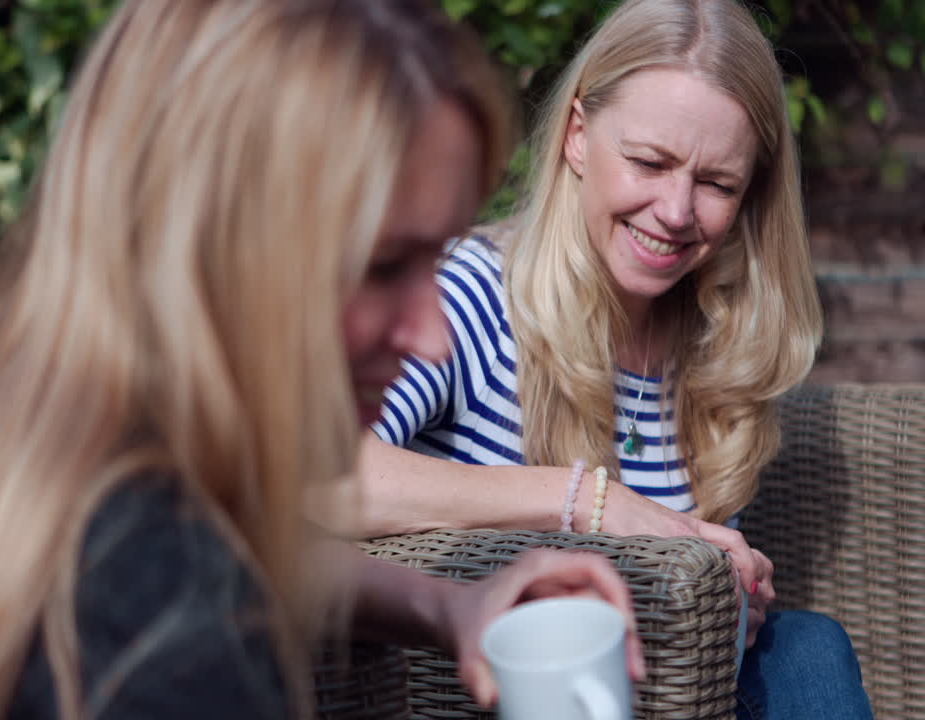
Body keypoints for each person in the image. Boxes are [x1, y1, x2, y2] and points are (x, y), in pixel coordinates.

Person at [0, 2, 645, 719]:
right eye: (383, 268)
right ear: (209, 241)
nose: (433, 336)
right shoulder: (168, 645)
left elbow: (249, 543)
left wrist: (445, 604)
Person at [359, 0, 873, 717]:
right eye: (649, 162)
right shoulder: (472, 295)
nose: (675, 210)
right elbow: (322, 476)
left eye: (718, 184)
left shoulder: (712, 344)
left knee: (801, 650)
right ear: (576, 135)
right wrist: (586, 501)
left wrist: (724, 602)